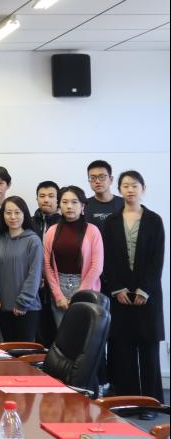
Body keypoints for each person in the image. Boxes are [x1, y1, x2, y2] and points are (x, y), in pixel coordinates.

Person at [103, 171, 165, 403]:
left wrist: (144, 290)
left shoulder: (154, 220)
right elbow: (108, 259)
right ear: (119, 189)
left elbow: (157, 259)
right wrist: (117, 288)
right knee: (123, 349)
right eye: (125, 185)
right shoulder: (111, 221)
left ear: (143, 189)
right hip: (120, 295)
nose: (130, 189)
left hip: (148, 295)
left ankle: (151, 402)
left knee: (149, 351)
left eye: (134, 185)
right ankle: (128, 400)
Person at [43, 185, 103, 327]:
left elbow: (97, 266)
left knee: (85, 334)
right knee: (63, 334)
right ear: (59, 205)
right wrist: (58, 295)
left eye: (74, 202)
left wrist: (80, 294)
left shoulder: (92, 231)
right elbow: (47, 265)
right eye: (64, 202)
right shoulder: (51, 231)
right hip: (59, 286)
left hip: (86, 286)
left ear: (82, 205)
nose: (69, 206)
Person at [0, 196, 43, 342]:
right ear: (2, 215)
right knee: (8, 350)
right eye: (8, 213)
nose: (13, 217)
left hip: (26, 308)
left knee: (25, 352)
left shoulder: (33, 240)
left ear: (24, 214)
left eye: (17, 212)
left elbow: (34, 275)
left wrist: (23, 302)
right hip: (3, 307)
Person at [32, 180, 62, 347]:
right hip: (35, 285)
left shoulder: (64, 222)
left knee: (60, 330)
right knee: (39, 332)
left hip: (59, 284)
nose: (46, 200)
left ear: (58, 199)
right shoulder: (29, 222)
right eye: (42, 196)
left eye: (51, 196)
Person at [86, 160, 124, 234]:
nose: (97, 181)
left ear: (111, 179)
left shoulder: (124, 204)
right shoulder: (83, 205)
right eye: (93, 178)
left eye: (102, 177)